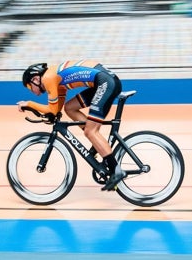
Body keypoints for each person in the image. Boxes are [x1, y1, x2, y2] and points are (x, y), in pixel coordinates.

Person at [17, 60, 125, 191]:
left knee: (91, 132)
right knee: (70, 108)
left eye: (29, 87)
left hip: (105, 83)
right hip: (104, 81)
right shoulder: (56, 80)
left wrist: (29, 104)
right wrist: (52, 114)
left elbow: (51, 110)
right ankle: (97, 144)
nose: (32, 92)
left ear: (35, 79)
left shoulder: (48, 78)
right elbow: (57, 109)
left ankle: (116, 170)